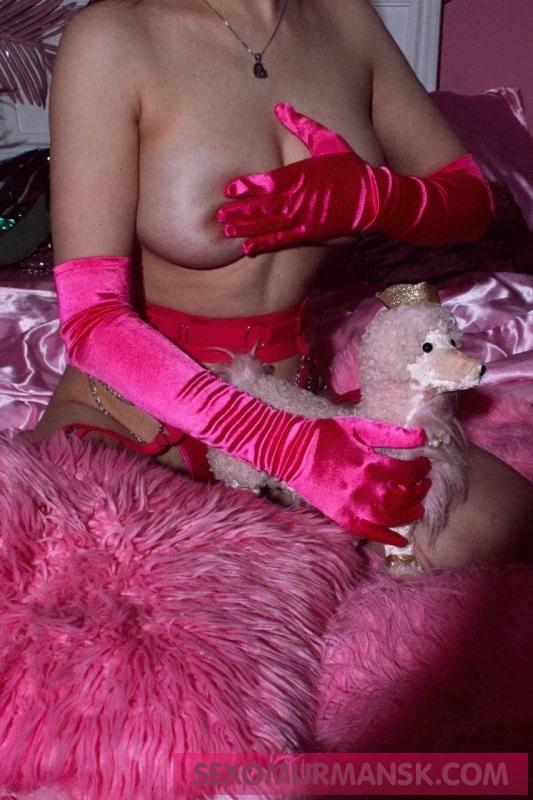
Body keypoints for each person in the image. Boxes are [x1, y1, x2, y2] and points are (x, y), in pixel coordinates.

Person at [34, 0, 533, 568]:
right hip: (133, 419)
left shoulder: (346, 19)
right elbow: (93, 321)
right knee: (98, 576)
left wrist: (381, 199)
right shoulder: (113, 38)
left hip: (294, 396)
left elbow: (473, 204)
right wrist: (283, 444)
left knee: (508, 533)